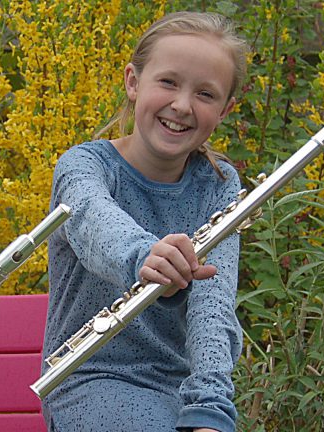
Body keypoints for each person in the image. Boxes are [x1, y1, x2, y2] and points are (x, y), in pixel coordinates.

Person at [42, 11, 248, 432]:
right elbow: (93, 222)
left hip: (181, 389)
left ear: (225, 109)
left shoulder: (219, 187)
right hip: (88, 377)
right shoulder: (83, 166)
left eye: (205, 94)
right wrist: (143, 257)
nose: (182, 105)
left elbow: (213, 305)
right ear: (133, 82)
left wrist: (209, 405)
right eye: (168, 82)